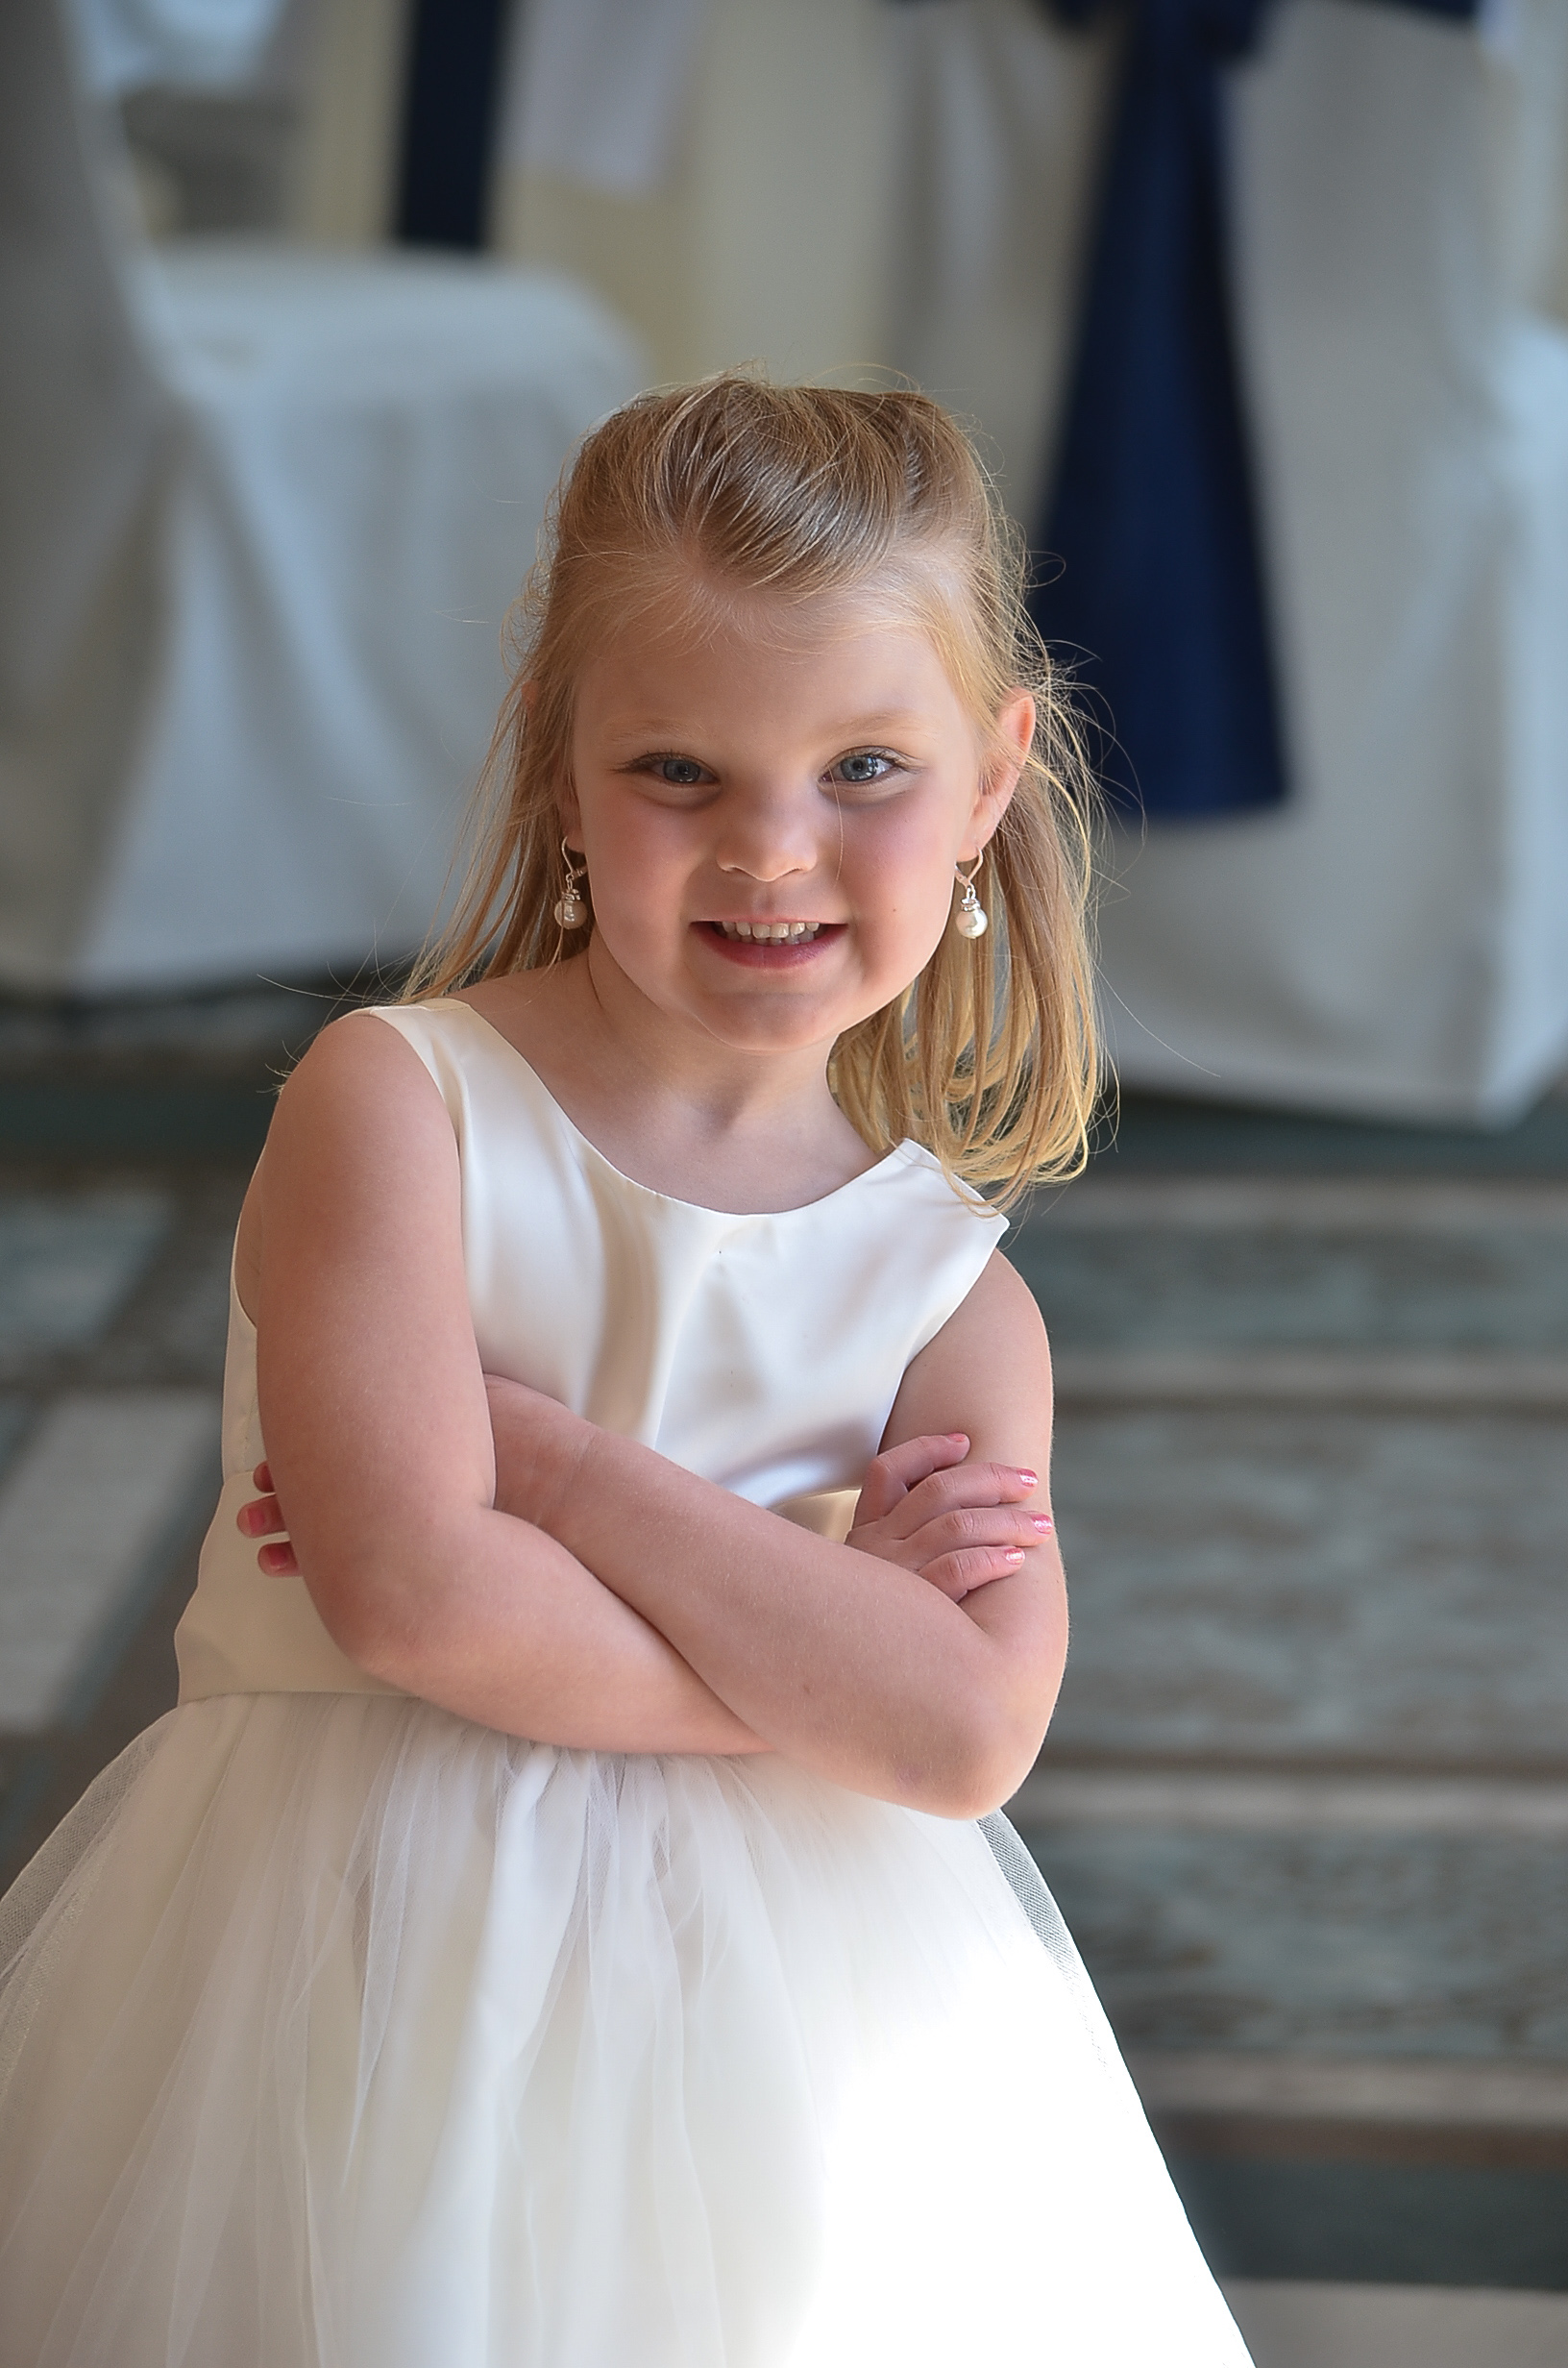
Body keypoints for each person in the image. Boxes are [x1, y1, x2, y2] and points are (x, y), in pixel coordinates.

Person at [0, 380, 1250, 2365]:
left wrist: (562, 1477)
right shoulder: (400, 1111)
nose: (772, 849)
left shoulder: (943, 1287)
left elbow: (959, 1740)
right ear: (560, 774)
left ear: (994, 776)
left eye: (863, 765)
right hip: (362, 1958)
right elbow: (413, 1595)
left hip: (800, 2009)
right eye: (679, 765)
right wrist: (819, 1638)